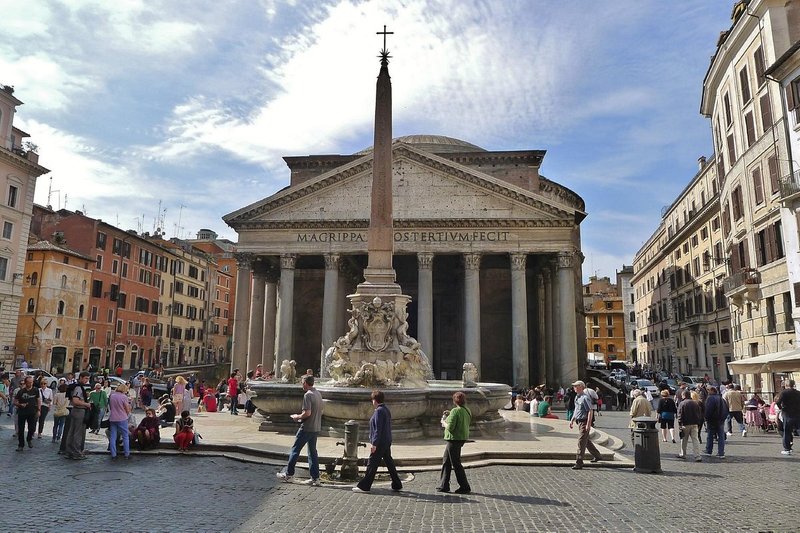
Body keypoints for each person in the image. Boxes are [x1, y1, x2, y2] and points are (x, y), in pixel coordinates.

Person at [353, 390, 403, 493]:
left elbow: (377, 429)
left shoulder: (379, 411)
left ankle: (364, 486)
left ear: (374, 400)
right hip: (386, 440)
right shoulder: (386, 409)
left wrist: (374, 444)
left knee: (372, 463)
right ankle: (397, 484)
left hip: (380, 442)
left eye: (372, 400)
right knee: (389, 462)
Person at [276, 375, 323, 484]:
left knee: (295, 450)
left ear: (306, 383)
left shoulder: (308, 395)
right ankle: (315, 478)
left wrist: (297, 416)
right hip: (316, 427)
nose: (302, 384)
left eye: (302, 382)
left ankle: (289, 474)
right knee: (312, 452)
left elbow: (307, 413)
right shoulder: (318, 393)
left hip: (306, 427)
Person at [437, 391, 472, 493]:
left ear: (454, 401)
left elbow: (450, 427)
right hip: (461, 438)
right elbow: (459, 419)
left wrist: (443, 422)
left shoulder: (455, 411)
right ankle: (443, 485)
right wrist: (450, 414)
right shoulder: (467, 410)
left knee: (456, 463)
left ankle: (465, 486)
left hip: (454, 439)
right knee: (446, 461)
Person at [569, 380, 602, 470]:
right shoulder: (577, 397)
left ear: (581, 387)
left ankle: (579, 462)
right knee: (585, 440)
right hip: (579, 421)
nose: (574, 388)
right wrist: (572, 419)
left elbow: (590, 411)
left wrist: (588, 424)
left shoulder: (585, 397)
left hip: (584, 421)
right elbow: (576, 409)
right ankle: (597, 455)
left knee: (581, 441)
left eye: (576, 386)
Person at [64, 372, 91, 460]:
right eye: (86, 378)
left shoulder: (76, 386)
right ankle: (76, 452)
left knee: (72, 431)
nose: (87, 381)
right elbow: (75, 401)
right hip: (79, 410)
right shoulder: (78, 388)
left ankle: (69, 451)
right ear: (81, 378)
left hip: (75, 410)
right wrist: (86, 404)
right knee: (77, 433)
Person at [13, 376, 40, 451]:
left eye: (32, 382)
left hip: (32, 412)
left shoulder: (35, 390)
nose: (30, 384)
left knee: (32, 428)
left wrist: (39, 410)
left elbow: (38, 400)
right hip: (22, 412)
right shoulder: (21, 391)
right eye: (29, 382)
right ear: (26, 383)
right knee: (21, 429)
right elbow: (15, 401)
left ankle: (29, 439)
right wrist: (20, 405)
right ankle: (21, 445)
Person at [676, 389, 703, 462]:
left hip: (685, 424)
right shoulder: (695, 403)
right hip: (694, 424)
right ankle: (697, 456)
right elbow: (699, 414)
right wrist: (698, 423)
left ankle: (683, 454)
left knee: (684, 440)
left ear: (684, 395)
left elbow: (680, 415)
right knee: (695, 440)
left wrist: (680, 425)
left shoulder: (682, 403)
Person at [703, 386, 728, 458]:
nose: (707, 392)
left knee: (710, 435)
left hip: (712, 420)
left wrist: (706, 418)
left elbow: (708, 410)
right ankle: (721, 453)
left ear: (712, 391)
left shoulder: (710, 398)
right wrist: (723, 418)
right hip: (720, 420)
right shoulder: (721, 399)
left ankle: (709, 451)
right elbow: (726, 409)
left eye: (708, 390)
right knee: (721, 436)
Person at [776, 380, 800, 455]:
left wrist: (781, 408)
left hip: (787, 414)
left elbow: (778, 402)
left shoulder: (784, 392)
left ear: (786, 385)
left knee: (787, 431)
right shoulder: (798, 393)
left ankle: (787, 449)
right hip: (797, 414)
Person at [108, 383, 132, 459]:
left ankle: (113, 454)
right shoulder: (124, 397)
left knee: (113, 436)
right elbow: (127, 409)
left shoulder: (112, 395)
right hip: (122, 418)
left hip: (113, 418)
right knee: (125, 436)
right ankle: (126, 454)